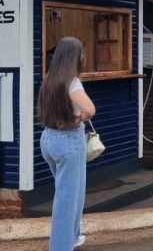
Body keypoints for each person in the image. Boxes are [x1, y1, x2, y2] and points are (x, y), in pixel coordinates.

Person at [39, 37, 95, 251]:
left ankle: (73, 236)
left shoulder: (49, 79)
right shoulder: (72, 82)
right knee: (68, 200)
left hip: (48, 139)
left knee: (66, 193)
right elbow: (90, 109)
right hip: (69, 142)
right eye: (81, 52)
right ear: (75, 56)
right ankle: (62, 246)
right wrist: (80, 117)